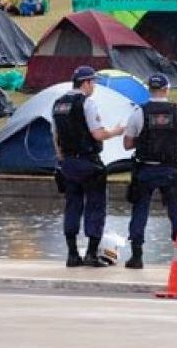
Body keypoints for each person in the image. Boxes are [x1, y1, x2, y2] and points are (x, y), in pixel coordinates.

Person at [52, 66, 127, 267]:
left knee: (72, 207)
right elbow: (98, 134)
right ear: (86, 83)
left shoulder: (58, 104)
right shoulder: (87, 103)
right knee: (95, 207)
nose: (94, 86)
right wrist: (116, 132)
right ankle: (91, 254)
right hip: (88, 162)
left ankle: (72, 254)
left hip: (68, 163)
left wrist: (63, 159)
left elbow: (56, 137)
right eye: (93, 82)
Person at [121, 73, 177, 269]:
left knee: (140, 210)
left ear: (149, 89)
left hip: (145, 169)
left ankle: (136, 256)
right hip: (170, 168)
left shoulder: (139, 112)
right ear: (167, 89)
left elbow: (127, 143)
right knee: (175, 210)